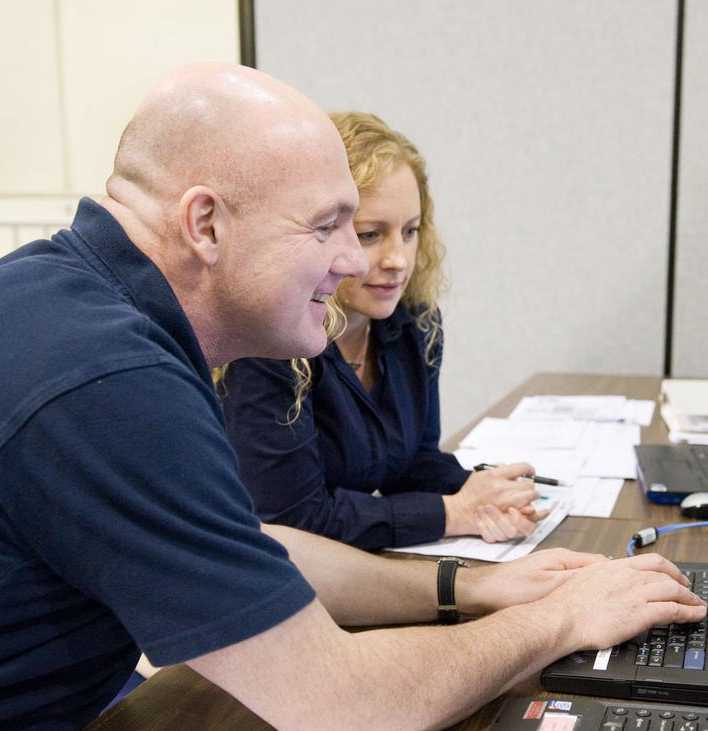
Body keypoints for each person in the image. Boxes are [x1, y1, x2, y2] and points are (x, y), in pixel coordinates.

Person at [0, 63, 706, 731]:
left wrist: (473, 587)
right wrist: (560, 618)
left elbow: (250, 543)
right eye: (329, 226)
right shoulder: (106, 373)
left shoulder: (84, 308)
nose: (353, 262)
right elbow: (340, 707)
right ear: (207, 224)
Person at [220, 112, 543, 550]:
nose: (399, 259)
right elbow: (292, 521)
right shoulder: (268, 343)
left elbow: (411, 464)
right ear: (316, 232)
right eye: (371, 234)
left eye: (410, 231)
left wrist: (486, 494)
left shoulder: (415, 322)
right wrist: (452, 513)